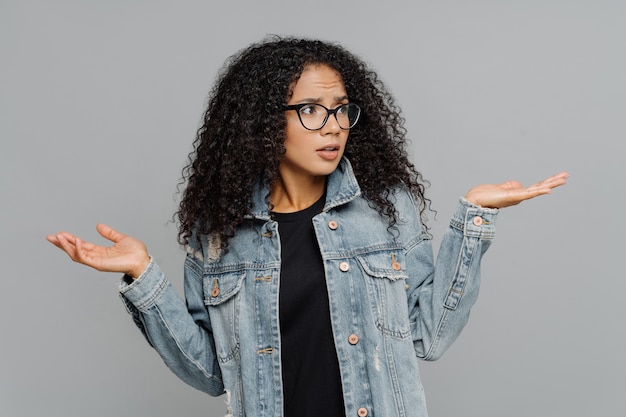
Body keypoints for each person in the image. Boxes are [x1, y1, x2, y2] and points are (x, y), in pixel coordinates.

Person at [47, 37, 567, 417]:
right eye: (312, 111)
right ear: (263, 121)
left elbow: (428, 336)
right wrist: (144, 274)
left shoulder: (386, 208)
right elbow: (210, 373)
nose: (334, 126)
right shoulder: (219, 232)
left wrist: (474, 218)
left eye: (341, 110)